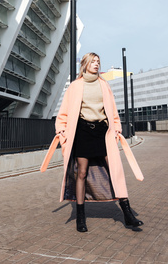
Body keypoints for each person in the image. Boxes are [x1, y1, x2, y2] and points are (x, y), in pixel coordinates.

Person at [55, 52, 144, 232]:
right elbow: (63, 112)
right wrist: (61, 128)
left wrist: (117, 127)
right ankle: (81, 217)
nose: (96, 64)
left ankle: (127, 213)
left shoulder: (104, 85)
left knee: (115, 170)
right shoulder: (75, 86)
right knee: (81, 173)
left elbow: (112, 110)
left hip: (103, 132)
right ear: (85, 64)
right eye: (93, 61)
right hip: (82, 132)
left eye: (98, 62)